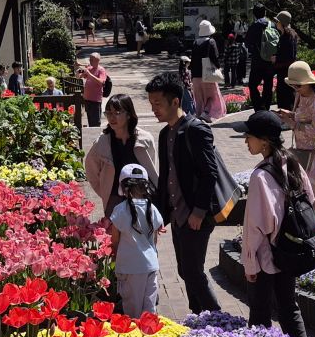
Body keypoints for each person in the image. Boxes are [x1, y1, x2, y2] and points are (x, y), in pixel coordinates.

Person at [147, 71, 228, 315]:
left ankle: (217, 318)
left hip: (196, 215)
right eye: (151, 104)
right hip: (178, 215)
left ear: (175, 101)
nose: (153, 109)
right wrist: (160, 214)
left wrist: (199, 211)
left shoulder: (196, 129)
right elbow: (165, 178)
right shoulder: (165, 134)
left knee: (192, 271)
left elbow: (209, 173)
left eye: (158, 104)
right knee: (185, 270)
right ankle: (198, 317)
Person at [234, 109, 313, 337]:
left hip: (265, 257)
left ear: (264, 141)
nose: (245, 141)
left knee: (260, 314)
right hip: (289, 250)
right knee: (289, 308)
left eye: (249, 136)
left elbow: (255, 227)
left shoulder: (260, 176)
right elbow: (310, 198)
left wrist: (250, 264)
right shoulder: (292, 162)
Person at [277, 61, 315, 219]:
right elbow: (303, 115)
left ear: (309, 82)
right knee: (304, 187)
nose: (295, 89)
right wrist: (289, 114)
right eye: (293, 85)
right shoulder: (301, 94)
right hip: (303, 147)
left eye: (298, 85)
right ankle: (308, 226)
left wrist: (292, 124)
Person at [84, 94, 157, 215]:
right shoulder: (102, 142)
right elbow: (91, 170)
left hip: (141, 199)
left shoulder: (145, 139)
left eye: (117, 113)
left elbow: (150, 168)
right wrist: (105, 191)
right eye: (108, 113)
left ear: (129, 115)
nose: (111, 117)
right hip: (114, 200)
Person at [108, 163, 162, 318]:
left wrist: (116, 256)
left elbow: (115, 240)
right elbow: (155, 238)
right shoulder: (152, 208)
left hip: (130, 266)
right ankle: (149, 332)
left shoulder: (120, 210)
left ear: (123, 187)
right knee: (149, 310)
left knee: (132, 310)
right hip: (150, 264)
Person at [189, 20, 226, 122]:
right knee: (212, 96)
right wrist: (218, 67)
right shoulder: (211, 41)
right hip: (207, 74)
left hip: (196, 75)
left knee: (199, 98)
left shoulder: (195, 42)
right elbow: (214, 57)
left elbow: (193, 59)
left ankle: (200, 115)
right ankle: (206, 113)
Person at [244, 6, 277, 111]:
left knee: (252, 85)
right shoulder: (272, 25)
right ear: (265, 12)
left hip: (257, 61)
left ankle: (259, 108)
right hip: (270, 61)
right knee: (268, 85)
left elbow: (247, 42)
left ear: (254, 14)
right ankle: (266, 108)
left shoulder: (254, 26)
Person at [273, 10, 300, 110]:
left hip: (285, 72)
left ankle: (286, 117)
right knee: (287, 98)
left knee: (285, 99)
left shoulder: (287, 37)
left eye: (277, 21)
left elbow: (289, 57)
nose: (276, 23)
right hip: (287, 72)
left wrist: (276, 59)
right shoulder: (290, 35)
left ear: (282, 23)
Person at [78, 52, 108, 126]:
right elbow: (79, 76)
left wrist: (89, 74)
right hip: (87, 99)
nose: (90, 61)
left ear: (97, 60)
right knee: (90, 121)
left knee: (95, 123)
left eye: (92, 60)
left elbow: (101, 82)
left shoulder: (101, 70)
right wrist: (78, 72)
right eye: (90, 59)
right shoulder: (90, 68)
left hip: (95, 101)